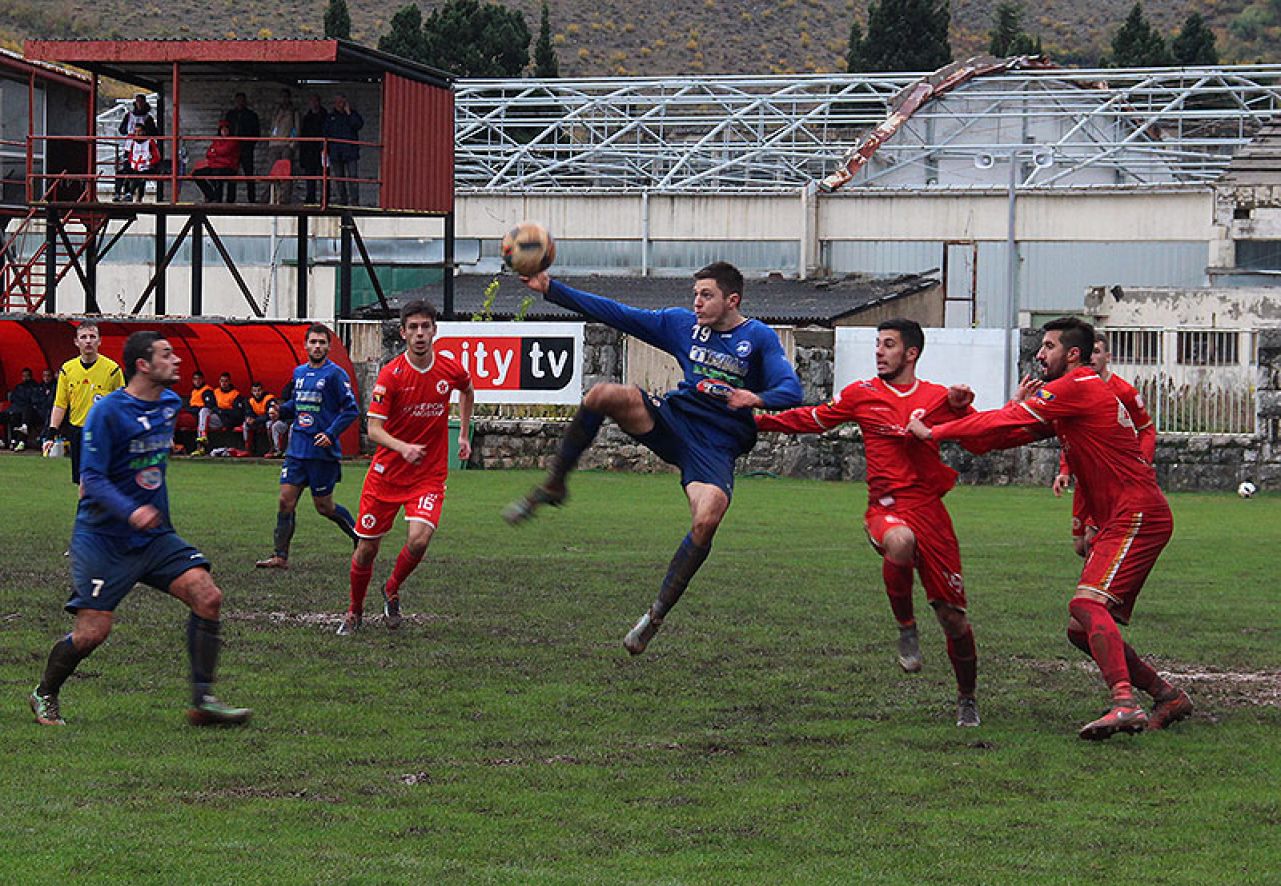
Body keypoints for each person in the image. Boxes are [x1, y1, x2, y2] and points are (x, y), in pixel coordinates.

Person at [906, 317, 1193, 740]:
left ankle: (1124, 703)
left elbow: (1000, 426)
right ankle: (1165, 694)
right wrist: (972, 414)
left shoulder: (1075, 386)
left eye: (1048, 347)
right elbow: (996, 437)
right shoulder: (1069, 396)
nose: (1040, 355)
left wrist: (933, 430)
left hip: (1137, 514)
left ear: (1072, 354)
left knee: (1087, 606)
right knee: (1081, 629)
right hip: (1123, 516)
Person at [504, 262, 802, 653]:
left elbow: (792, 389)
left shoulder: (757, 337)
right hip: (674, 419)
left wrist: (758, 397)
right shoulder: (681, 325)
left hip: (716, 444)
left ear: (733, 300)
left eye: (706, 295)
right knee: (602, 395)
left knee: (707, 517)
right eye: (695, 294)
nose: (696, 302)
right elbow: (618, 313)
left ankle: (654, 616)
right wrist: (551, 289)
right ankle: (555, 483)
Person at [755, 320, 983, 727]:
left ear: (911, 353)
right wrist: (758, 420)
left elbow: (980, 437)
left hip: (931, 513)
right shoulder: (863, 394)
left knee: (954, 619)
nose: (879, 351)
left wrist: (964, 406)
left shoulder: (935, 397)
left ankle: (967, 696)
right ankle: (906, 629)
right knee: (899, 540)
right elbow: (814, 418)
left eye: (889, 345)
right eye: (877, 344)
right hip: (885, 508)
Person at [29, 331, 251, 728]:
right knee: (93, 632)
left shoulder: (167, 403)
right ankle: (45, 692)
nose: (177, 361)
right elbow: (91, 481)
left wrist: (150, 513)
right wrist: (131, 511)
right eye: (167, 355)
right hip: (103, 539)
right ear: (144, 365)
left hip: (153, 537)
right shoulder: (107, 413)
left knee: (207, 595)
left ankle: (204, 701)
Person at [337, 300, 474, 635]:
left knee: (419, 539)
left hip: (428, 474)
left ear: (434, 331)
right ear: (403, 333)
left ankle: (392, 587)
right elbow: (373, 429)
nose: (419, 333)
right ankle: (354, 611)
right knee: (367, 549)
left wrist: (464, 434)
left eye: (425, 326)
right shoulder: (392, 375)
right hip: (386, 476)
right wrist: (403, 447)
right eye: (412, 327)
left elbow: (468, 391)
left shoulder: (449, 368)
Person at [254, 324, 360, 570]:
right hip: (297, 450)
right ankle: (280, 556)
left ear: (328, 346)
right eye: (313, 342)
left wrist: (331, 434)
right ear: (306, 345)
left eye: (322, 342)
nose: (317, 346)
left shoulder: (336, 374)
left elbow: (351, 409)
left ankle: (359, 538)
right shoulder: (299, 372)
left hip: (321, 453)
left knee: (325, 507)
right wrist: (280, 410)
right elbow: (297, 404)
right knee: (285, 501)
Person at [1052, 331, 1156, 558]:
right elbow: (1070, 433)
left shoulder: (1125, 392)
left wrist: (1141, 463)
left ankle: (1098, 590)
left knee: (1094, 538)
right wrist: (1065, 470)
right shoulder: (1076, 389)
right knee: (1080, 545)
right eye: (1089, 352)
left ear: (1107, 356)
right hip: (1085, 479)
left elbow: (1146, 429)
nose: (1092, 358)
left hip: (1111, 479)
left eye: (1097, 352)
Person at [43, 321, 124, 485]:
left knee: (104, 479)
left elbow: (122, 404)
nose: (88, 341)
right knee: (82, 481)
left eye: (92, 337)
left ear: (99, 341)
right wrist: (51, 433)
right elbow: (60, 404)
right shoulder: (67, 369)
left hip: (103, 432)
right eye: (84, 337)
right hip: (78, 431)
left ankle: (104, 509)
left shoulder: (113, 370)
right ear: (76, 341)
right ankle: (86, 510)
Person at [114, 94, 158, 202]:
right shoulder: (129, 116)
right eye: (137, 102)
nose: (139, 104)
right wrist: (131, 133)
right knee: (126, 170)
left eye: (141, 102)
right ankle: (124, 193)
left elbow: (154, 132)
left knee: (140, 172)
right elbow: (122, 130)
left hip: (144, 148)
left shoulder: (148, 118)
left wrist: (144, 133)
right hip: (130, 146)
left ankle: (137, 196)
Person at [323, 94, 363, 205]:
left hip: (350, 152)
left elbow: (358, 125)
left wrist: (349, 112)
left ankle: (355, 202)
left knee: (353, 178)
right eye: (338, 102)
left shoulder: (352, 114)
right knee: (339, 179)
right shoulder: (330, 117)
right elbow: (325, 133)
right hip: (336, 152)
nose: (340, 104)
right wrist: (326, 149)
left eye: (342, 102)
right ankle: (342, 201)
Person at [193, 372, 245, 457]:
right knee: (203, 412)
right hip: (216, 417)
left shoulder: (235, 394)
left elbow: (237, 413)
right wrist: (218, 411)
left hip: (226, 420)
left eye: (226, 381)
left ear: (229, 382)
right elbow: (211, 406)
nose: (224, 383)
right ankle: (202, 441)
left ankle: (201, 445)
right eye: (222, 381)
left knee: (203, 420)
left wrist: (222, 411)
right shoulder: (216, 392)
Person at [191, 120, 240, 203]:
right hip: (215, 165)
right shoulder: (217, 140)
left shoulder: (233, 141)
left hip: (228, 167)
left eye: (226, 129)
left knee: (217, 174)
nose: (224, 132)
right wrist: (217, 154)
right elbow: (209, 153)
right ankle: (210, 195)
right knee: (196, 174)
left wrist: (215, 153)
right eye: (222, 129)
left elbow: (223, 151)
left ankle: (218, 199)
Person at [224, 92, 260, 203]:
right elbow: (224, 130)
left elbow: (256, 133)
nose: (240, 103)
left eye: (242, 100)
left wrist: (249, 145)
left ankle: (252, 199)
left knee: (249, 173)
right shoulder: (230, 115)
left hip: (246, 148)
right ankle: (230, 199)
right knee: (231, 174)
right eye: (238, 100)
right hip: (232, 148)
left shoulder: (251, 115)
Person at [265, 88, 300, 204]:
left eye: (285, 97)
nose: (283, 100)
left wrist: (292, 144)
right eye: (281, 97)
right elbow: (272, 127)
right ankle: (273, 196)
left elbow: (296, 128)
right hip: (274, 144)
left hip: (286, 144)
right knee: (272, 171)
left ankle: (284, 198)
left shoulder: (294, 111)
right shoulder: (276, 111)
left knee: (286, 172)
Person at [3, 367, 46, 450]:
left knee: (19, 416)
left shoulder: (35, 387)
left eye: (27, 376)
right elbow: (13, 398)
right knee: (9, 415)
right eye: (23, 376)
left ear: (31, 376)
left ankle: (18, 441)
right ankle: (6, 440)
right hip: (16, 409)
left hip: (31, 413)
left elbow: (32, 400)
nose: (25, 378)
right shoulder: (19, 387)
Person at [299, 94, 328, 204]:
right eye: (312, 101)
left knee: (324, 176)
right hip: (309, 151)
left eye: (316, 101)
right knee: (310, 176)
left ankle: (325, 199)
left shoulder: (326, 117)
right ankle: (310, 198)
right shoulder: (307, 118)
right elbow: (303, 136)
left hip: (322, 149)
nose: (314, 104)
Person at [124, 122, 163, 202]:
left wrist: (148, 163)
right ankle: (119, 194)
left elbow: (157, 157)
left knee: (140, 175)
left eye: (139, 131)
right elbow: (130, 156)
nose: (137, 134)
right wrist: (132, 163)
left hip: (147, 167)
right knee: (122, 173)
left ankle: (132, 194)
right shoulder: (133, 142)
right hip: (135, 166)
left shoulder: (150, 142)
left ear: (144, 132)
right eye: (135, 132)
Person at [241, 381, 277, 454]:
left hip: (268, 420)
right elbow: (248, 412)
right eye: (254, 391)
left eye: (259, 390)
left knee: (269, 424)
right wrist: (249, 418)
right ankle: (248, 449)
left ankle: (273, 448)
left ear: (262, 390)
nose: (257, 393)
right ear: (251, 392)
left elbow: (270, 414)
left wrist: (256, 420)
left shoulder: (269, 398)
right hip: (257, 421)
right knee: (245, 425)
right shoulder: (250, 401)